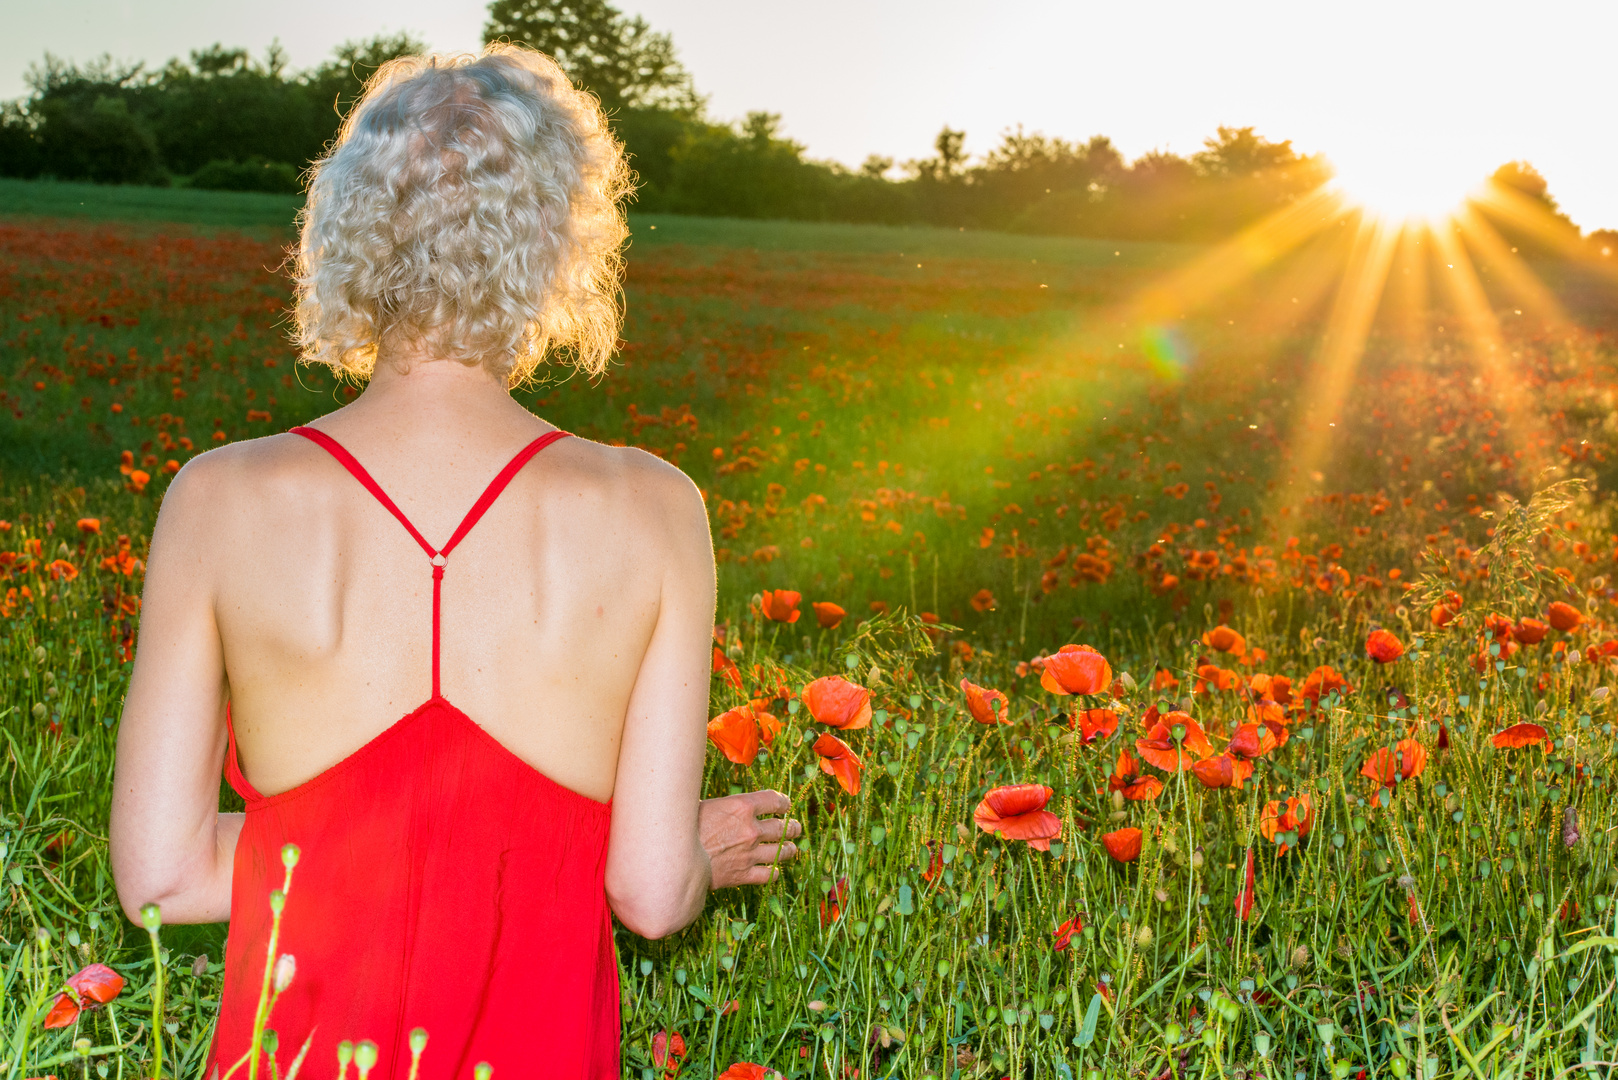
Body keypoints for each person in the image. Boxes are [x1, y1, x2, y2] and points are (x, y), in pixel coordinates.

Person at [108, 44, 800, 1079]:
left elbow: (162, 880)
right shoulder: (655, 508)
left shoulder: (217, 498)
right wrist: (646, 850)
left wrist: (363, 845)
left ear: (345, 228)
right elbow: (650, 898)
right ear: (558, 243)